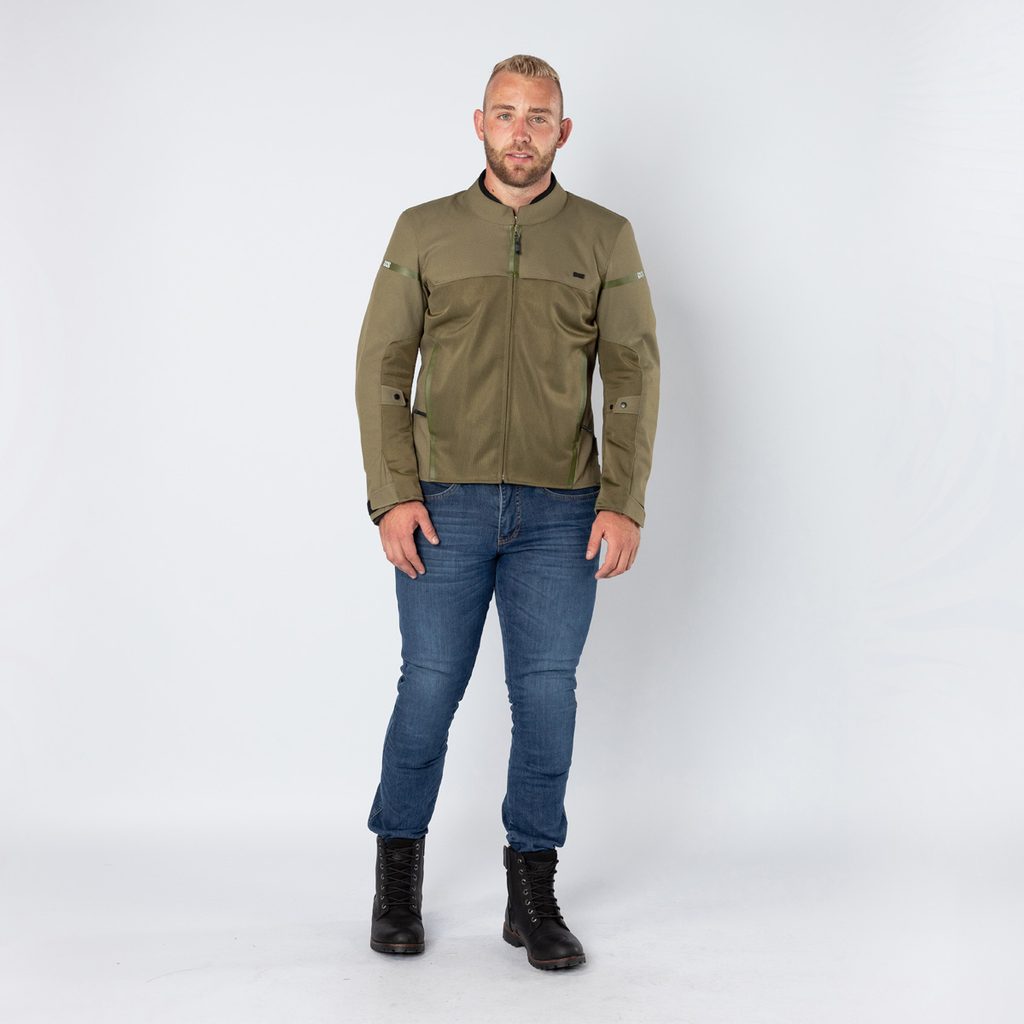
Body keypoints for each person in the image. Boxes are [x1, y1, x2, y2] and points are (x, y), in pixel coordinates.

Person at [354, 54, 660, 971]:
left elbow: (634, 376)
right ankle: (396, 877)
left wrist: (623, 500)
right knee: (428, 688)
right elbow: (382, 366)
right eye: (505, 113)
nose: (520, 132)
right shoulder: (425, 230)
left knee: (547, 698)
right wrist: (393, 494)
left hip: (563, 511)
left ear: (563, 132)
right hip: (442, 506)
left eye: (538, 116)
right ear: (478, 123)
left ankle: (532, 891)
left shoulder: (604, 237)